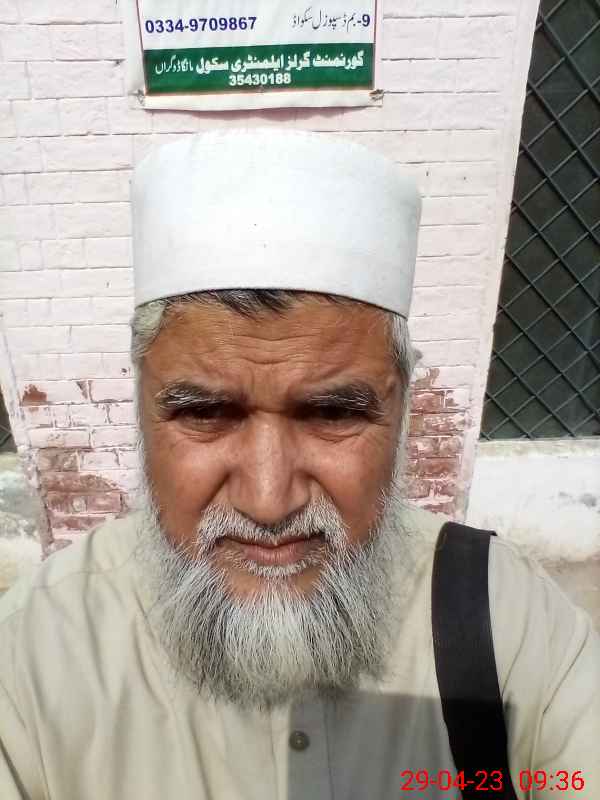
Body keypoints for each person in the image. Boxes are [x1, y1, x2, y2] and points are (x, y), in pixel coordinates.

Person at [0, 130, 598, 800]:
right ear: (141, 411)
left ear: (401, 412)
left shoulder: (506, 622)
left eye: (333, 414)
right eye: (207, 413)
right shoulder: (32, 661)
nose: (268, 499)